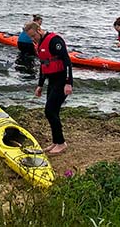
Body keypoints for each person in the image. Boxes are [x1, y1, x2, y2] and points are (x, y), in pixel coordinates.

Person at [26, 22, 73, 155]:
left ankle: (61, 143)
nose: (33, 39)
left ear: (39, 30)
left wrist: (68, 83)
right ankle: (56, 142)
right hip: (52, 81)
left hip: (62, 80)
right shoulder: (39, 44)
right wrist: (40, 85)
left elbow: (67, 61)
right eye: (30, 37)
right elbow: (43, 65)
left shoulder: (54, 41)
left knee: (50, 111)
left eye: (33, 35)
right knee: (53, 112)